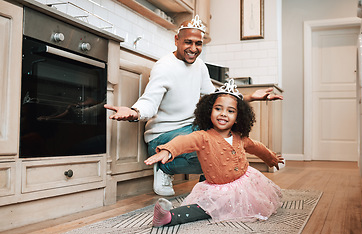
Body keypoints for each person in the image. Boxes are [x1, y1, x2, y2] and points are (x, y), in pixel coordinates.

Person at [104, 15, 283, 196]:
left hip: (190, 129)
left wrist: (251, 97)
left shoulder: (200, 66)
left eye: (198, 44)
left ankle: (209, 182)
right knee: (214, 148)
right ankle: (164, 167)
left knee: (226, 138)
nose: (193, 48)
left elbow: (216, 99)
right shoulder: (164, 67)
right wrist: (134, 112)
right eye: (188, 42)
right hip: (163, 138)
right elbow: (149, 101)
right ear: (176, 40)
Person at [144, 79, 284, 227]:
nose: (223, 114)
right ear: (209, 112)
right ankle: (169, 217)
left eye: (230, 111)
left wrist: (271, 158)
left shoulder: (240, 137)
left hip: (245, 183)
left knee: (258, 201)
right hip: (218, 189)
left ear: (238, 118)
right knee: (205, 208)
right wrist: (168, 150)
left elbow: (257, 147)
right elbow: (183, 141)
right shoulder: (203, 137)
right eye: (218, 109)